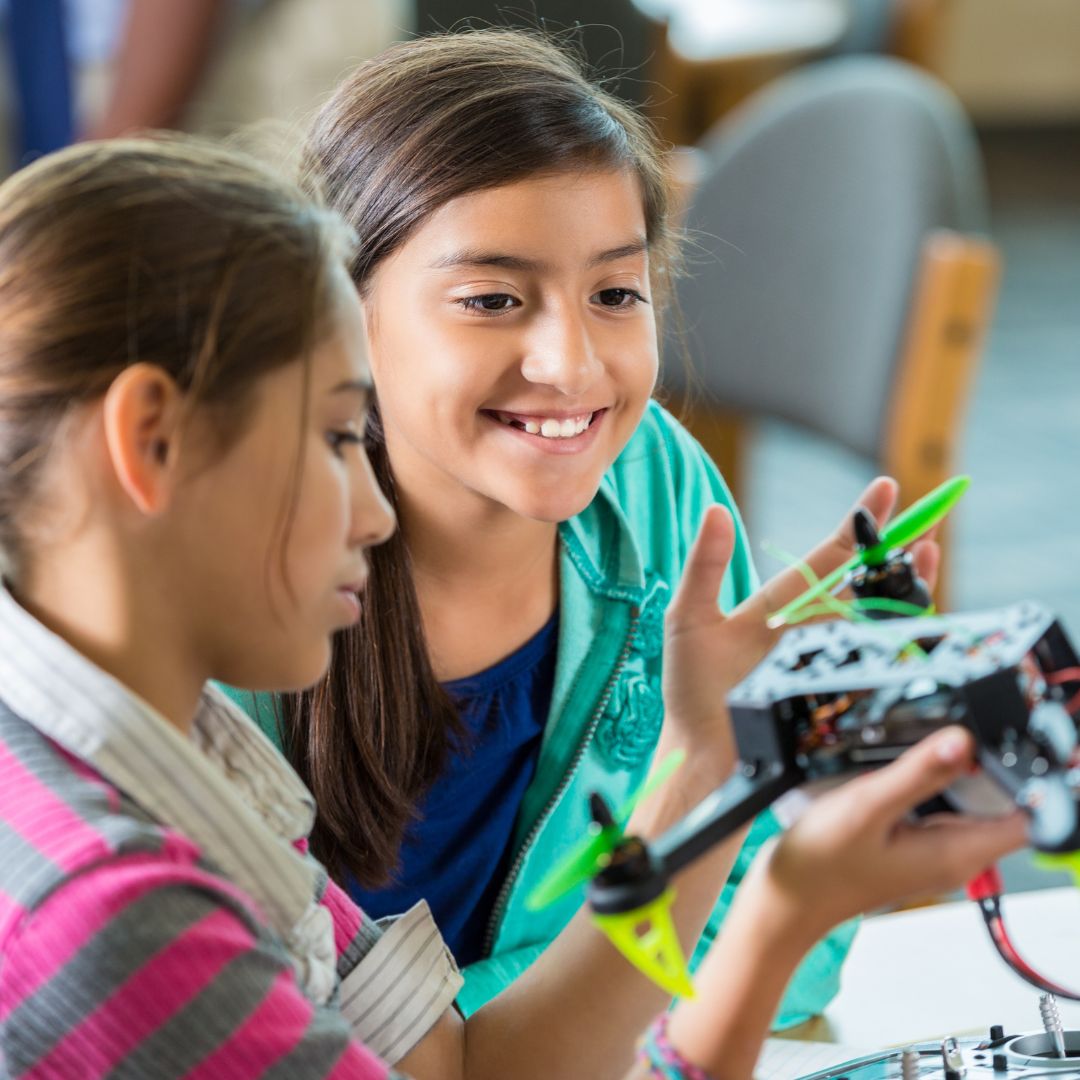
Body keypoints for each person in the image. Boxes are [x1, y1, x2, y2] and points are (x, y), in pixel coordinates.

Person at [0, 133, 1027, 1080]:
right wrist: (773, 918)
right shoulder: (115, 917)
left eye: (620, 290)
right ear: (149, 442)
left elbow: (459, 1065)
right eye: (334, 437)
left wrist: (707, 775)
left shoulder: (186, 753)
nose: (371, 512)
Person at [224, 27, 932, 1024]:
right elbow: (225, 1009)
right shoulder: (232, 565)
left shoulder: (655, 489)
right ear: (345, 313)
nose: (570, 363)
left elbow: (790, 953)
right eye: (493, 299)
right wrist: (582, 997)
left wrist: (823, 794)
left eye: (614, 293)